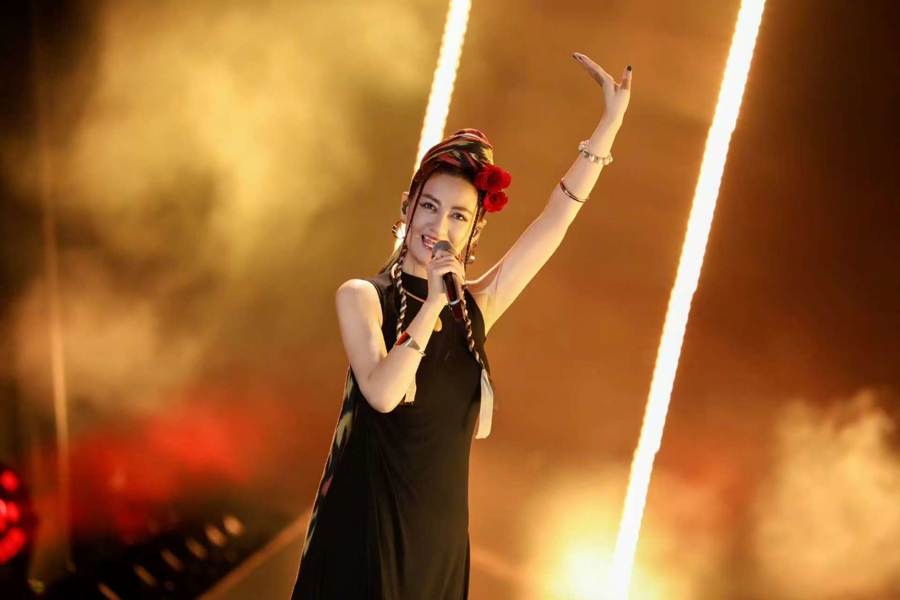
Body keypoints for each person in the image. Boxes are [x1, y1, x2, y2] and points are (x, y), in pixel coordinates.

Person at [291, 53, 632, 599]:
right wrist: (432, 304)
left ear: (475, 231)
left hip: (440, 543)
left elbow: (555, 219)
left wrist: (607, 126)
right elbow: (382, 393)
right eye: (429, 207)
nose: (439, 226)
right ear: (407, 207)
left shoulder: (475, 308)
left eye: (458, 216)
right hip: (368, 535)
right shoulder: (363, 297)